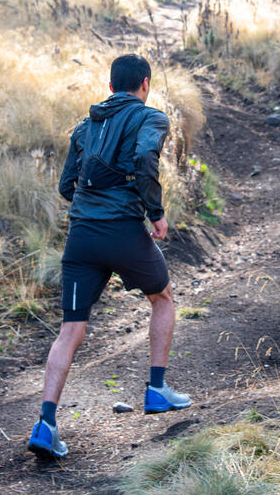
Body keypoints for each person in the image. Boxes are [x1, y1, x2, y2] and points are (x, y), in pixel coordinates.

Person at [27, 54, 191, 460]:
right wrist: (155, 213)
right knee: (163, 297)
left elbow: (68, 184)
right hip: (122, 231)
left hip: (81, 235)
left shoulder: (86, 125)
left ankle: (46, 423)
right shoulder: (150, 118)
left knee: (71, 330)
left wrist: (92, 202)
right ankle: (156, 390)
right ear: (145, 84)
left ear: (112, 84)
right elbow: (144, 161)